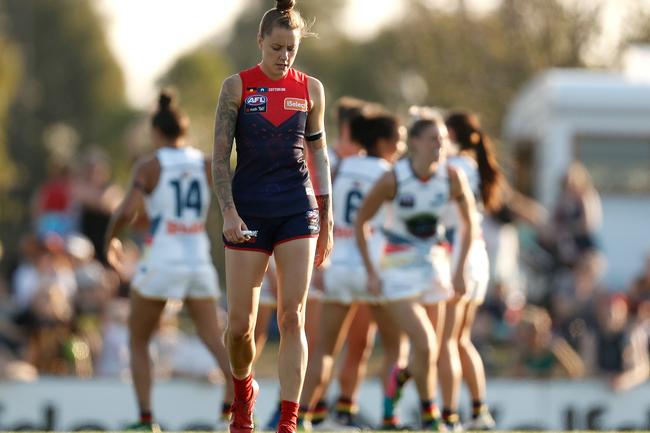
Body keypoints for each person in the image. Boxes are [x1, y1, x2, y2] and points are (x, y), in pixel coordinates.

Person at [211, 1, 333, 432]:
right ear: (260, 41)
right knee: (241, 327)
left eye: (291, 49)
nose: (283, 57)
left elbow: (318, 153)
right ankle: (243, 394)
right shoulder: (236, 87)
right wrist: (228, 212)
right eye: (277, 47)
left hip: (298, 209)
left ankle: (288, 420)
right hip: (248, 211)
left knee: (291, 315)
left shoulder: (311, 89)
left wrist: (327, 216)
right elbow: (220, 160)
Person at [105, 91, 234, 431]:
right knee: (212, 336)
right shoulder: (206, 164)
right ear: (185, 132)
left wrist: (110, 240)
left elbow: (127, 211)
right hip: (197, 261)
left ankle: (147, 419)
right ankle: (236, 393)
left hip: (161, 260)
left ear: (155, 133)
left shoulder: (150, 165)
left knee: (137, 338)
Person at [355, 114, 477, 431]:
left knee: (430, 351)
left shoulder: (451, 177)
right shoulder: (393, 179)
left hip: (433, 267)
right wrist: (370, 269)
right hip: (395, 270)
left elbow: (469, 224)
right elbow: (360, 222)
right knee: (424, 342)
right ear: (415, 143)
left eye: (442, 139)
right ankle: (430, 414)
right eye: (433, 139)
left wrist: (460, 269)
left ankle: (403, 390)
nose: (440, 145)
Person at [299, 109, 400, 429]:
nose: (400, 148)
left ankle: (301, 416)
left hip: (339, 267)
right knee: (392, 348)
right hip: (373, 269)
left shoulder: (338, 167)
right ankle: (386, 415)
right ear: (382, 142)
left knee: (324, 350)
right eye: (398, 141)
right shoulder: (391, 173)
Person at [435, 111, 501, 430]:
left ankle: (448, 416)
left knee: (447, 341)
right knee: (461, 340)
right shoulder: (470, 165)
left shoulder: (454, 167)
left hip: (459, 257)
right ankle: (478, 411)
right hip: (476, 257)